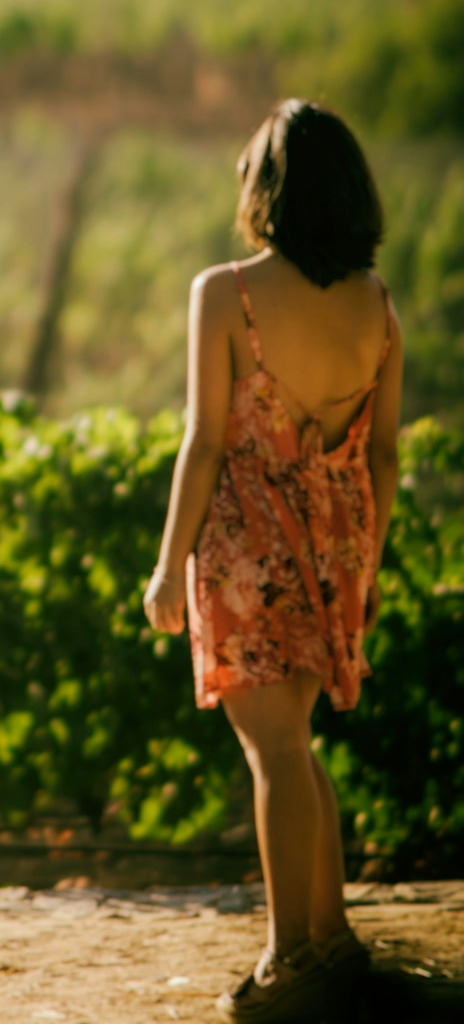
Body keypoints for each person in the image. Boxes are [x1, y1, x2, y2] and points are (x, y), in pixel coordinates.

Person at [143, 99, 401, 1023]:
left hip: (248, 539)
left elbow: (204, 440)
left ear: (270, 190)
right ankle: (331, 938)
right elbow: (383, 455)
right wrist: (365, 564)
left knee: (275, 750)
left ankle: (289, 956)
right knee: (298, 748)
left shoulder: (227, 291)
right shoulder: (376, 302)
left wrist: (169, 565)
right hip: (338, 540)